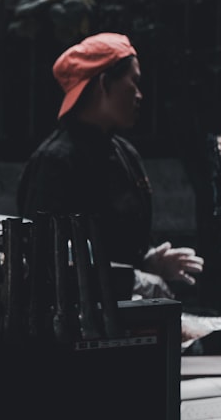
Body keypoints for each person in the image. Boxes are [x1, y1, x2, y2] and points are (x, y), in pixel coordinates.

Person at [16, 32, 204, 299]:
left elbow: (119, 247)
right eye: (134, 82)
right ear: (105, 84)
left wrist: (149, 263)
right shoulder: (54, 163)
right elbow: (47, 266)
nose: (139, 95)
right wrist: (131, 281)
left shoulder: (126, 154)